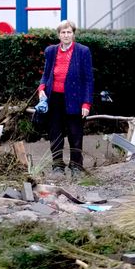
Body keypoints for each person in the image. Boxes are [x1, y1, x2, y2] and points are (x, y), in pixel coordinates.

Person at [37, 20, 94, 177]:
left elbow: (88, 80)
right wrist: (41, 89)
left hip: (75, 99)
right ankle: (58, 166)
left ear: (73, 34)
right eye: (63, 32)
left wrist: (86, 103)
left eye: (69, 32)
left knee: (75, 134)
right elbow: (46, 75)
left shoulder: (83, 51)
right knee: (55, 133)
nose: (66, 35)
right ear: (58, 35)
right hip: (54, 98)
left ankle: (76, 166)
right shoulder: (51, 51)